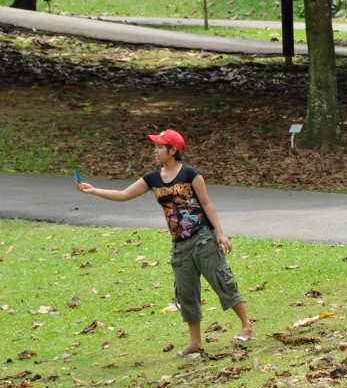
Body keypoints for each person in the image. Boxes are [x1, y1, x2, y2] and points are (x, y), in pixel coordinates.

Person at [76, 129, 253, 357]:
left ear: (173, 150)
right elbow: (124, 194)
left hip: (202, 238)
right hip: (179, 244)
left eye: (160, 147)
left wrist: (220, 233)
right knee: (186, 292)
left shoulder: (191, 174)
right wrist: (93, 190)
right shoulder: (152, 178)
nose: (155, 151)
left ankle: (247, 326)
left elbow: (206, 204)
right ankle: (195, 342)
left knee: (221, 281)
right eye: (155, 146)